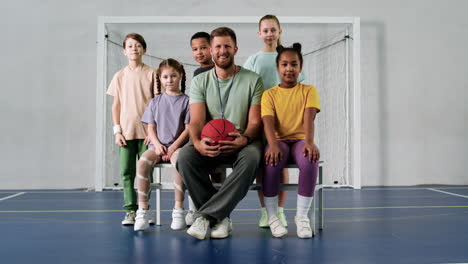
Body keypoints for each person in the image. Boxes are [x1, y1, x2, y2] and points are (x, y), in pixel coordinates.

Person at [176, 27, 264, 240]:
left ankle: (205, 216)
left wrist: (244, 139)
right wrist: (197, 142)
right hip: (211, 140)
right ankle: (221, 218)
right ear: (211, 51)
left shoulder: (253, 79)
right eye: (218, 47)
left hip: (241, 140)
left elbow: (255, 121)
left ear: (235, 49)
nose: (222, 51)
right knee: (185, 156)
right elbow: (196, 120)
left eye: (227, 46)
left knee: (253, 157)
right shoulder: (200, 81)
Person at [243, 14, 305, 228]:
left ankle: (280, 210)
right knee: (265, 165)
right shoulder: (252, 60)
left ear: (280, 32)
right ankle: (265, 212)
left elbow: (299, 90)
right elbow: (247, 90)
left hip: (286, 121)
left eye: (273, 30)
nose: (270, 34)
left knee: (283, 166)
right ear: (259, 33)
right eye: (266, 30)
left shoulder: (288, 58)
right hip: (261, 119)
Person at [261, 43, 320, 238]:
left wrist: (310, 143)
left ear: (300, 67)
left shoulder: (308, 90)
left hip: (300, 140)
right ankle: (272, 216)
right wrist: (273, 144)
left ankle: (302, 217)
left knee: (310, 159)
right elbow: (268, 123)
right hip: (279, 141)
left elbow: (308, 117)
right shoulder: (269, 95)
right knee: (271, 160)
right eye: (284, 65)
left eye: (294, 64)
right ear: (278, 68)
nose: (289, 69)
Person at [106, 33, 157, 225]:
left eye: (137, 45)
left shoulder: (152, 74)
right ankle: (130, 211)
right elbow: (116, 105)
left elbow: (157, 104)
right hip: (126, 134)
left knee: (146, 173)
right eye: (130, 46)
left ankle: (145, 209)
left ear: (143, 49)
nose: (134, 49)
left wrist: (154, 133)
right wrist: (117, 130)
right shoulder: (119, 76)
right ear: (124, 51)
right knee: (126, 172)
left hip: (147, 134)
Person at [133, 58, 190, 231]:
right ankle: (143, 210)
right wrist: (157, 145)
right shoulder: (155, 102)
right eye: (165, 77)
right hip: (157, 147)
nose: (169, 80)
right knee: (142, 163)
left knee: (179, 162)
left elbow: (188, 130)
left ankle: (178, 209)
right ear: (160, 78)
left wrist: (173, 147)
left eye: (173, 76)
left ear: (180, 76)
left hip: (178, 147)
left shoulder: (187, 101)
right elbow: (151, 128)